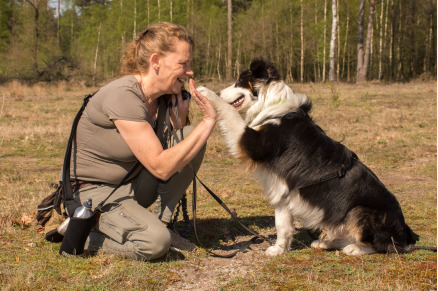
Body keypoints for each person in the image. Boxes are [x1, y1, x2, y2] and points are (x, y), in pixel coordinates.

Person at [66, 22, 217, 260]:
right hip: (97, 191)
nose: (190, 71)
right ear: (156, 61)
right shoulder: (123, 95)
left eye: (190, 64)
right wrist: (208, 121)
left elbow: (170, 155)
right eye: (183, 64)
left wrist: (178, 124)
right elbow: (161, 166)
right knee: (155, 244)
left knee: (189, 138)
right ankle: (81, 232)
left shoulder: (165, 99)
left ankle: (163, 224)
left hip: (133, 183)